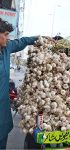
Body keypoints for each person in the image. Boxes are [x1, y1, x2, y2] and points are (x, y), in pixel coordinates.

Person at [0, 18, 39, 149]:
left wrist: (39, 38)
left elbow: (22, 41)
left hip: (3, 111)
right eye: (5, 34)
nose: (8, 38)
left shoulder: (6, 49)